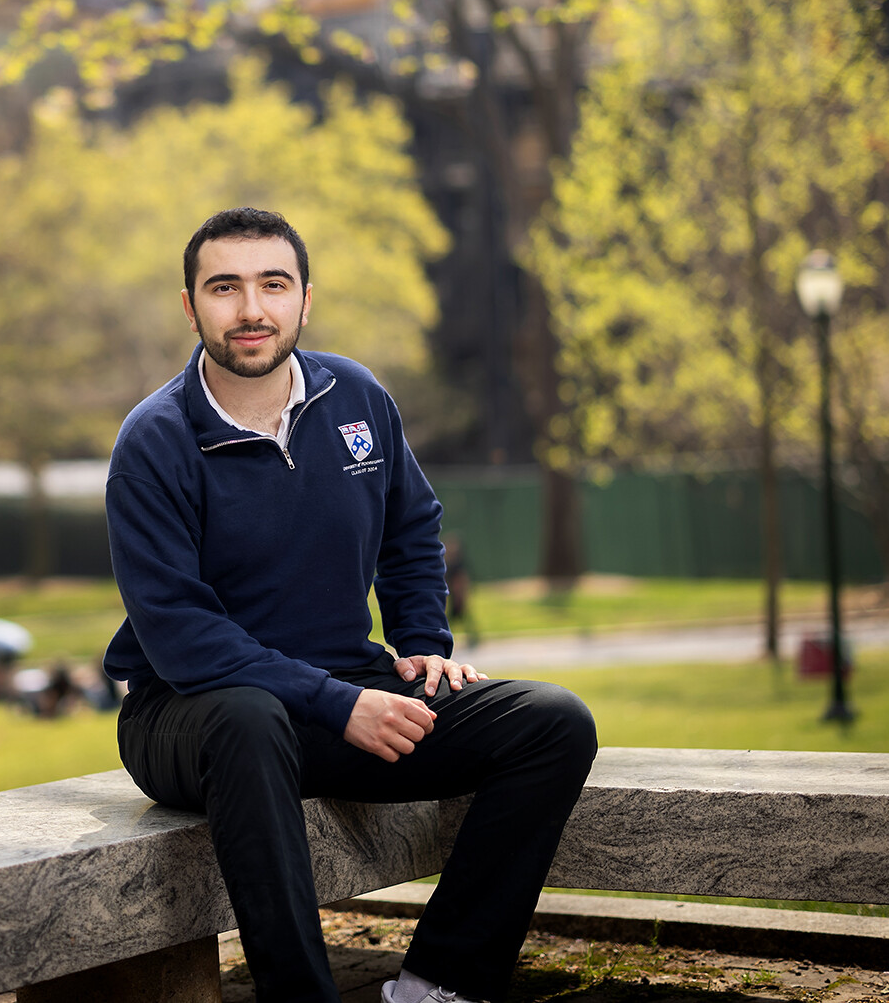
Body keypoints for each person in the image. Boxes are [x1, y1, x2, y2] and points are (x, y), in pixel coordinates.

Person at [103, 208, 597, 1003]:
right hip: (189, 715)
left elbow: (413, 525)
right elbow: (184, 640)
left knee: (552, 722)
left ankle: (439, 985)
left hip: (340, 693)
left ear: (306, 300)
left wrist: (421, 639)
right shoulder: (154, 441)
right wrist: (342, 705)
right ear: (191, 308)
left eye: (273, 284)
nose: (251, 308)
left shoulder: (357, 397)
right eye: (224, 287)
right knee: (248, 717)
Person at [444, 538, 479, 650]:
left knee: (458, 618)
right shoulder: (450, 563)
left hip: (457, 595)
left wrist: (461, 594)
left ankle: (473, 638)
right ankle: (473, 637)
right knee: (457, 618)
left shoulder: (458, 564)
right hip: (453, 595)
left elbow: (461, 580)